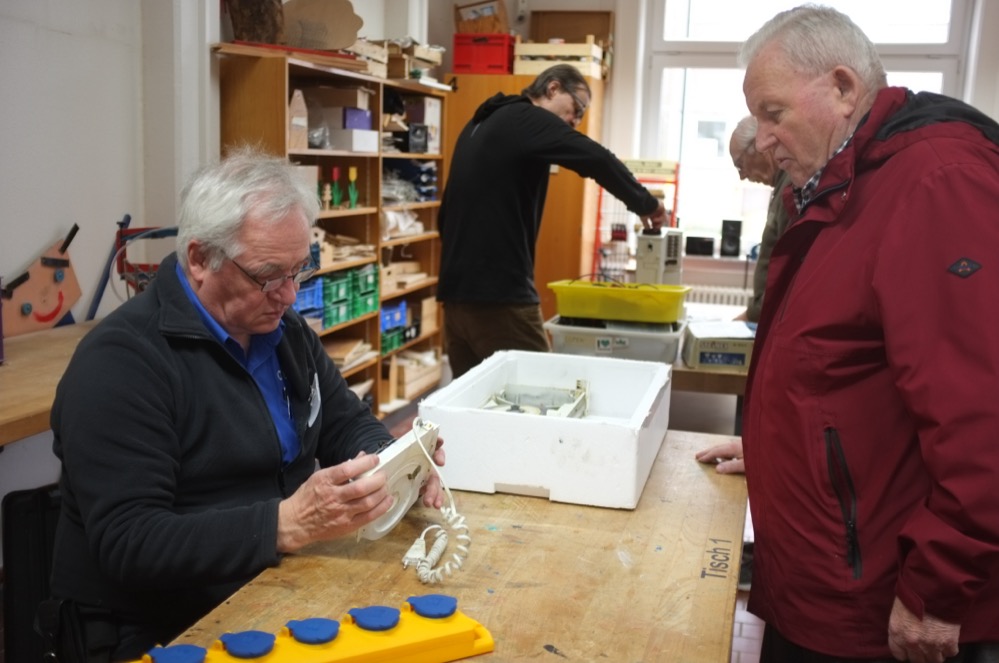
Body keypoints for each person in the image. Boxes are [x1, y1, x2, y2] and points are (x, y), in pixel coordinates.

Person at [42, 149, 446, 661]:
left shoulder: (280, 330)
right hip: (156, 624)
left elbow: (343, 420)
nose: (290, 295)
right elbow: (130, 542)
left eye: (300, 270)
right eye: (267, 275)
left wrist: (398, 461)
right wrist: (286, 524)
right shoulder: (121, 364)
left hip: (268, 583)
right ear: (198, 259)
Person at [738, 5, 999, 662]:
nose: (762, 138)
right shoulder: (850, 180)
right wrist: (773, 441)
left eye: (773, 113)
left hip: (885, 601)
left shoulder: (937, 181)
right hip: (826, 581)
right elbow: (842, 361)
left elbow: (979, 412)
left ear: (842, 88)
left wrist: (937, 585)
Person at [437, 64, 669, 378]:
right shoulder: (526, 119)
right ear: (553, 89)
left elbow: (446, 211)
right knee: (541, 399)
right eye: (577, 109)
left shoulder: (481, 122)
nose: (575, 121)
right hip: (500, 300)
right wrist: (647, 204)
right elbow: (596, 158)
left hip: (454, 301)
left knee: (472, 407)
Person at [728, 115, 792, 322]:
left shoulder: (791, 187)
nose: (742, 176)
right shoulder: (781, 185)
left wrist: (751, 315)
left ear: (760, 147)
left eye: (740, 165)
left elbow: (787, 271)